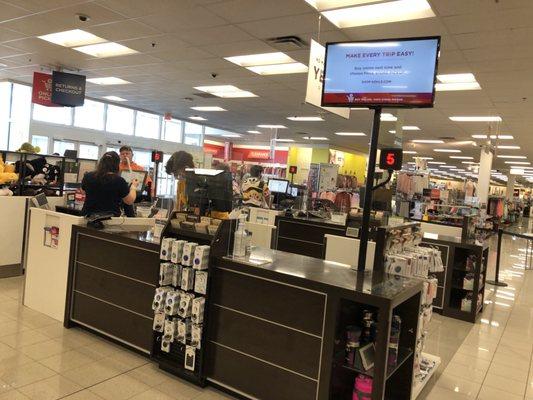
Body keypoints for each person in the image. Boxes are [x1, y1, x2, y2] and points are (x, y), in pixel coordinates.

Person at [81, 151, 138, 217]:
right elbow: (129, 201)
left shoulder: (88, 176)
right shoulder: (119, 181)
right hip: (109, 219)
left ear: (101, 162)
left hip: (87, 217)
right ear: (116, 164)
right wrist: (133, 186)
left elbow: (83, 191)